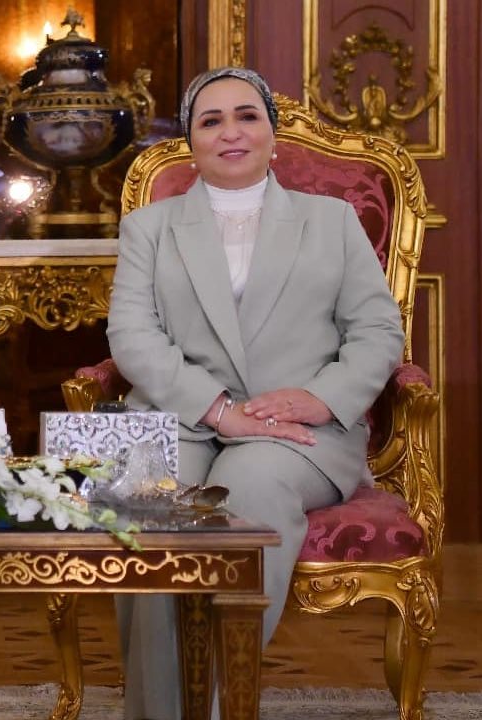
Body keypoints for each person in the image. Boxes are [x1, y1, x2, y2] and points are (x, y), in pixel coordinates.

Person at [106, 67, 404, 719]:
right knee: (149, 502)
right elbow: (131, 336)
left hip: (296, 431)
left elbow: (378, 329)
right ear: (190, 142)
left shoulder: (333, 221)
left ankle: (220, 708)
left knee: (247, 491)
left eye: (247, 116)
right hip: (182, 417)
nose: (231, 132)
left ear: (273, 135)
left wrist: (322, 398)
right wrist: (219, 411)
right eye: (210, 121)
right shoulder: (149, 228)